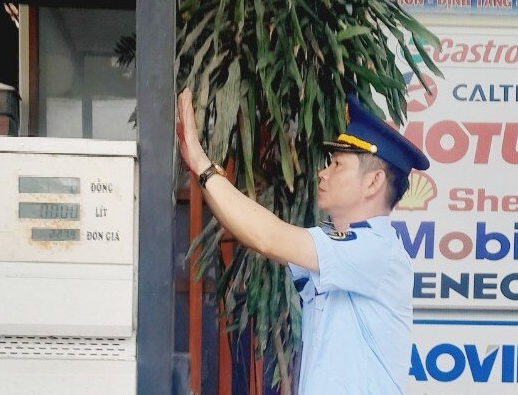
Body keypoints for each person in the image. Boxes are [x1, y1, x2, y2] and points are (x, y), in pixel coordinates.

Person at [176, 88, 430, 395]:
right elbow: (254, 236)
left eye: (338, 165)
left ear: (374, 182)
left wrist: (202, 164)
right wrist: (201, 172)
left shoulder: (375, 249)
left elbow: (267, 237)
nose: (323, 174)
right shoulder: (347, 246)